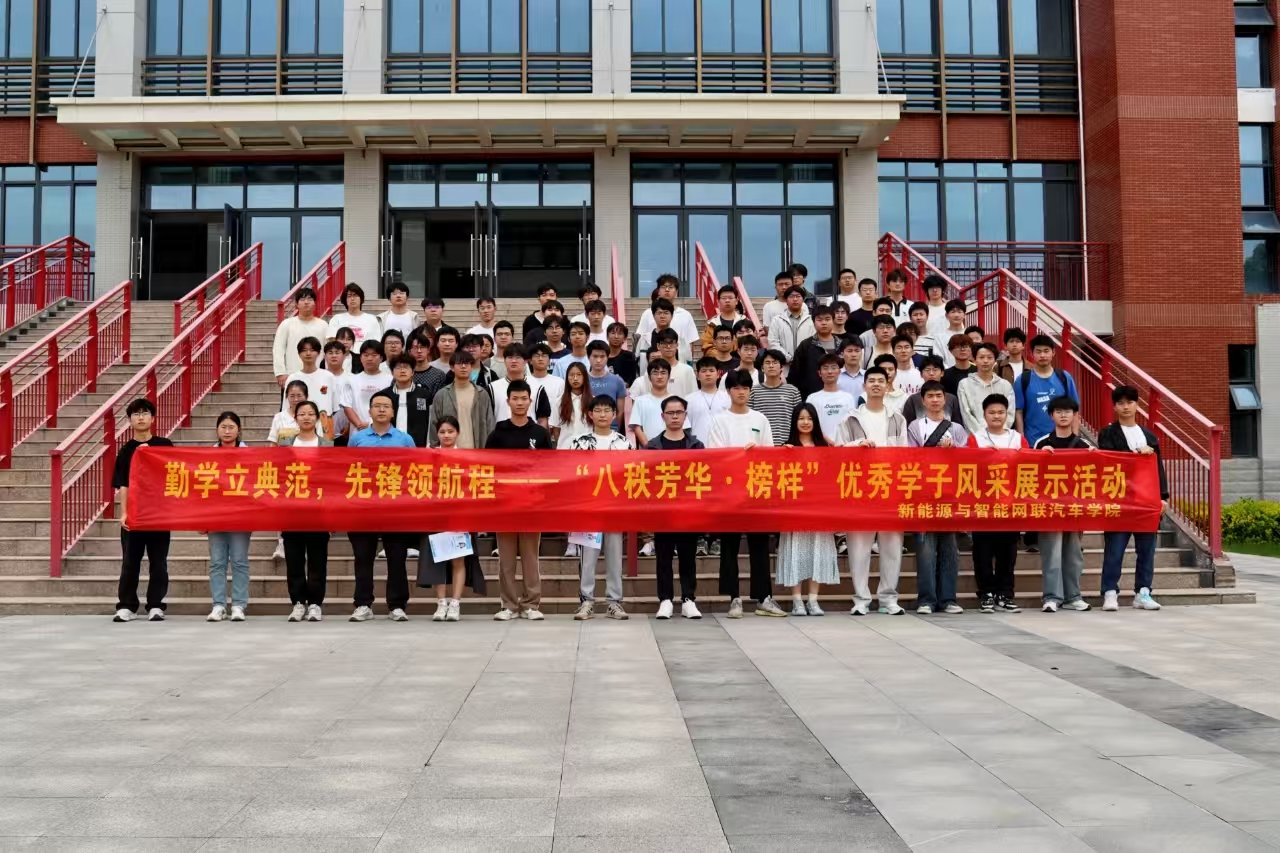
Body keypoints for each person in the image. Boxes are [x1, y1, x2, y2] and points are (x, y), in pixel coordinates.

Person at [709, 370, 784, 618]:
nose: (741, 392)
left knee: (759, 545)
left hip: (756, 489)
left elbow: (769, 453)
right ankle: (734, 598)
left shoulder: (760, 418)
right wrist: (743, 453)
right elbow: (716, 455)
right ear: (728, 391)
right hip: (730, 490)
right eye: (736, 388)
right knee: (729, 545)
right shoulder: (719, 420)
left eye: (745, 388)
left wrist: (756, 455)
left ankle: (764, 597)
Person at [836, 367, 907, 616]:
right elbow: (838, 453)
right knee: (859, 547)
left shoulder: (898, 419)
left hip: (890, 488)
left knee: (892, 546)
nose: (876, 384)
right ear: (864, 386)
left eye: (881, 381)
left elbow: (905, 455)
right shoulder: (850, 419)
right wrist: (857, 445)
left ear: (888, 386)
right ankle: (861, 599)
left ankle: (888, 599)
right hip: (860, 489)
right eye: (872, 381)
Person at [485, 380, 555, 620]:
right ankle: (508, 605)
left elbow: (550, 467)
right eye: (515, 399)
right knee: (506, 560)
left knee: (530, 558)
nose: (519, 403)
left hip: (532, 505)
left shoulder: (539, 433)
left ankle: (531, 604)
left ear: (530, 401)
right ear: (508, 401)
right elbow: (488, 467)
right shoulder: (498, 433)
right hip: (504, 505)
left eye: (524, 398)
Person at [1097, 385, 1170, 613]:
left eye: (1130, 402)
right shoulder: (1107, 433)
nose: (1125, 407)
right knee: (1115, 549)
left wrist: (1163, 497)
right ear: (1114, 407)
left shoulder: (1149, 436)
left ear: (1138, 405)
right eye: (1120, 403)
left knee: (1146, 550)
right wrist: (1138, 454)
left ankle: (1143, 592)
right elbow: (1110, 461)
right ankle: (1110, 592)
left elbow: (1158, 469)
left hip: (1146, 501)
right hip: (1119, 499)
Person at [346, 391, 416, 622]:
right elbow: (347, 470)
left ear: (393, 412)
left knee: (396, 558)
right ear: (369, 411)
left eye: (386, 406)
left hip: (395, 508)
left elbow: (415, 471)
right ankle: (363, 604)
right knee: (363, 558)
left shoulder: (405, 440)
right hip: (363, 507)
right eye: (377, 406)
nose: (382, 409)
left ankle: (396, 605)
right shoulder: (357, 439)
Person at [906, 381, 969, 616]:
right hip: (923, 493)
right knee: (924, 549)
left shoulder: (957, 429)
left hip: (949, 495)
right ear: (923, 400)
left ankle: (948, 599)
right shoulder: (915, 426)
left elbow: (967, 460)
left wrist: (954, 451)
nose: (935, 400)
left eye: (938, 396)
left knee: (949, 548)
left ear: (945, 399)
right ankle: (926, 599)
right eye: (930, 396)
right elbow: (910, 457)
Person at [419, 415, 486, 623]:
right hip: (436, 514)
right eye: (442, 432)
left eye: (450, 431)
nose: (446, 435)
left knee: (458, 560)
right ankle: (441, 603)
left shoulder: (466, 457)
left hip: (460, 514)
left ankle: (455, 603)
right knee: (438, 558)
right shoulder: (429, 456)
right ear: (437, 434)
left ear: (458, 433)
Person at [112, 398, 175, 622]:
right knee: (130, 562)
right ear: (130, 420)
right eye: (136, 414)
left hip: (158, 514)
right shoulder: (125, 450)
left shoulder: (164, 445)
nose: (141, 417)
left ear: (153, 418)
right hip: (135, 515)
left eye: (145, 413)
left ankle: (156, 605)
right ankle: (127, 606)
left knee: (159, 562)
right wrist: (124, 513)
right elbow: (123, 484)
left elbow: (174, 475)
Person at [570, 396, 632, 621]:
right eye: (598, 410)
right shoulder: (579, 442)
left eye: (607, 410)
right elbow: (572, 475)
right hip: (589, 509)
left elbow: (631, 475)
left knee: (615, 557)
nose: (603, 414)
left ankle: (614, 602)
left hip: (615, 508)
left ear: (615, 414)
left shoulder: (624, 443)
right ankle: (586, 601)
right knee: (588, 558)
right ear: (590, 414)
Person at [777, 403, 840, 616]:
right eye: (801, 418)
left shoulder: (824, 448)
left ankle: (813, 601)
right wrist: (783, 455)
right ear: (794, 421)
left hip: (819, 508)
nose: (805, 422)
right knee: (795, 552)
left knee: (818, 552)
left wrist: (830, 442)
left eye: (810, 418)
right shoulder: (787, 447)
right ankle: (797, 601)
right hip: (795, 509)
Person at [967, 394, 1027, 613]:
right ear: (984, 415)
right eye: (991, 412)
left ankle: (1005, 593)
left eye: (1001, 412)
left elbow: (1028, 465)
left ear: (1007, 414)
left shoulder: (1017, 438)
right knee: (982, 552)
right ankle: (986, 593)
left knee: (1008, 553)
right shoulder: (976, 438)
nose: (996, 416)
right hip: (983, 504)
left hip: (1010, 504)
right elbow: (969, 468)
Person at [644, 396, 704, 618]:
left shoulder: (696, 446)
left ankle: (688, 599)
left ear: (686, 415)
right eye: (670, 413)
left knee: (688, 556)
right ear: (663, 416)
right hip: (663, 510)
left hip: (689, 509)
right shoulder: (653, 447)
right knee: (663, 556)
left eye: (679, 412)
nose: (675, 417)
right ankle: (665, 600)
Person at [1034, 396, 1094, 613]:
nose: (1063, 415)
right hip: (1049, 508)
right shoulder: (1041, 444)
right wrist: (1040, 458)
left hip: (1075, 508)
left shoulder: (1084, 446)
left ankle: (1073, 597)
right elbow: (1030, 475)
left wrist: (1094, 458)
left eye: (1068, 411)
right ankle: (1051, 597)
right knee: (1051, 554)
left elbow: (1095, 476)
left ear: (1075, 415)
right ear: (1051, 415)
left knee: (1074, 554)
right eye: (1058, 411)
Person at [279, 401, 332, 622]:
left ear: (317, 418)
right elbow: (278, 474)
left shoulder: (327, 445)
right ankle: (298, 602)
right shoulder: (286, 444)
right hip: (292, 511)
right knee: (294, 559)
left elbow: (333, 478)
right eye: (302, 414)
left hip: (318, 511)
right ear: (296, 418)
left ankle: (315, 604)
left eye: (311, 414)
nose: (307, 417)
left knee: (318, 560)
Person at [205, 412, 250, 623]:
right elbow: (201, 489)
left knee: (239, 561)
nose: (227, 431)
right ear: (217, 430)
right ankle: (219, 605)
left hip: (240, 516)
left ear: (239, 430)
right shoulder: (208, 455)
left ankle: (239, 605)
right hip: (215, 515)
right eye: (223, 427)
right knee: (217, 562)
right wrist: (201, 519)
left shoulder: (249, 454)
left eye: (231, 427)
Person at [1014, 334, 1080, 448]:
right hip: (1033, 441)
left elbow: (1075, 411)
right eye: (1038, 351)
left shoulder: (1064, 377)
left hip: (1063, 442)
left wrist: (1075, 439)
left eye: (1046, 351)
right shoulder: (1023, 379)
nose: (1042, 355)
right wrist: (1022, 439)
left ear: (1053, 352)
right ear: (1032, 354)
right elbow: (1018, 412)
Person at [427, 351, 496, 449]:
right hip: (450, 451)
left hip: (477, 449)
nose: (463, 366)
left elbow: (490, 424)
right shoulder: (442, 395)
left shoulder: (482, 394)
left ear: (471, 367)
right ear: (452, 367)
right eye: (459, 363)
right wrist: (435, 448)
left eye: (467, 363)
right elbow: (434, 424)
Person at [272, 287, 329, 389]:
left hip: (317, 376)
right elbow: (278, 349)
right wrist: (280, 373)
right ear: (297, 304)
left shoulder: (323, 325)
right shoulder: (287, 324)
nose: (306, 302)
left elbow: (328, 351)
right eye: (302, 299)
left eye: (310, 299)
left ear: (315, 303)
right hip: (292, 376)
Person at [634, 275, 698, 361]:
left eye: (671, 287)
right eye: (663, 287)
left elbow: (690, 343)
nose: (667, 290)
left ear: (676, 292)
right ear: (658, 291)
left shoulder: (685, 315)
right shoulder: (647, 314)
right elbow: (641, 339)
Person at [281, 337, 336, 433]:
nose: (308, 353)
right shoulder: (292, 378)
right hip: (298, 429)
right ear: (299, 354)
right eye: (304, 350)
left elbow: (335, 407)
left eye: (312, 350)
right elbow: (286, 407)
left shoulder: (328, 377)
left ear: (318, 353)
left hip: (324, 428)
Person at [958, 342, 1015, 434]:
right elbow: (966, 414)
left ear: (995, 360)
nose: (985, 361)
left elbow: (1010, 412)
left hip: (1001, 436)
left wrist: (999, 432)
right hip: (976, 436)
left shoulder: (1005, 385)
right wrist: (983, 435)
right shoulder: (964, 384)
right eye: (981, 357)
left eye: (989, 357)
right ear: (974, 360)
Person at [749, 349, 802, 446]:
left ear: (782, 367)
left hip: (787, 446)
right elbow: (749, 420)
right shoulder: (754, 391)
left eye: (775, 362)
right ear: (762, 368)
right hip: (762, 446)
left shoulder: (792, 391)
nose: (771, 365)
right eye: (767, 363)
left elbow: (799, 419)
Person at [340, 340, 389, 437]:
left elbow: (392, 407)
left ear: (381, 358)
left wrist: (372, 424)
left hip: (383, 432)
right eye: (366, 355)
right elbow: (347, 406)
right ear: (361, 358)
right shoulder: (351, 380)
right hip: (358, 432)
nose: (369, 358)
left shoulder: (390, 380)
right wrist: (359, 424)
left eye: (374, 355)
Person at [788, 304, 838, 399]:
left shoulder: (841, 345)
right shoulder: (805, 345)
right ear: (813, 322)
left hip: (838, 396)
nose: (824, 323)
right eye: (819, 320)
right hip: (811, 397)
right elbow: (795, 374)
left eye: (827, 319)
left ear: (833, 321)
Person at [629, 329, 696, 399]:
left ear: (677, 345)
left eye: (671, 342)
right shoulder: (652, 370)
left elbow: (693, 396)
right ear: (658, 346)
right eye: (664, 343)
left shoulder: (687, 370)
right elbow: (648, 394)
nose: (668, 346)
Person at [806, 354, 857, 443]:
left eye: (833, 368)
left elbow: (852, 425)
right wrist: (827, 440)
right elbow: (810, 425)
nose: (830, 371)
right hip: (820, 445)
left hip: (844, 446)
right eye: (825, 368)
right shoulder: (812, 398)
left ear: (839, 372)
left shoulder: (848, 398)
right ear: (819, 373)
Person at [384, 355, 432, 447]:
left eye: (406, 367)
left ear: (413, 372)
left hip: (417, 446)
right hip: (390, 446)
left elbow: (429, 421)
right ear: (392, 372)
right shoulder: (385, 395)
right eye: (398, 368)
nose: (402, 371)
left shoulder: (424, 395)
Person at [900, 356, 961, 424]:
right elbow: (907, 426)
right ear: (921, 374)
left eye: (935, 370)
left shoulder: (952, 399)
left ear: (942, 373)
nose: (931, 373)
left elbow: (957, 425)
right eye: (927, 370)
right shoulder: (913, 400)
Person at [585, 340, 629, 431]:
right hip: (586, 429)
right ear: (588, 357)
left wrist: (615, 430)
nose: (598, 360)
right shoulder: (583, 380)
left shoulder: (617, 381)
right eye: (595, 356)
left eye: (602, 356)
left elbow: (620, 411)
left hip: (611, 430)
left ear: (607, 357)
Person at [629, 358, 673, 447]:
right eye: (655, 373)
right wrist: (649, 447)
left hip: (673, 450)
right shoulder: (640, 401)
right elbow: (636, 427)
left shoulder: (676, 401)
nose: (659, 376)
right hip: (648, 451)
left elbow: (683, 428)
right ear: (649, 377)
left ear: (669, 376)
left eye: (663, 373)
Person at [686, 356, 730, 444]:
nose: (708, 374)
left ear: (718, 374)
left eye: (711, 370)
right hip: (697, 447)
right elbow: (686, 427)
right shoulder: (688, 400)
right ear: (698, 376)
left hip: (722, 447)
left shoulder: (728, 398)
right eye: (704, 371)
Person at [767, 284, 815, 361]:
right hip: (784, 364)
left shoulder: (811, 320)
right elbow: (773, 343)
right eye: (791, 296)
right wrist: (788, 358)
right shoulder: (777, 320)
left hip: (806, 363)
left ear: (803, 300)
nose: (795, 299)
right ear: (786, 300)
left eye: (798, 296)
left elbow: (815, 342)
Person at [555, 362, 593, 450]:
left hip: (588, 450)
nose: (575, 378)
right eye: (571, 375)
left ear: (585, 377)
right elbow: (556, 429)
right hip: (565, 450)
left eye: (579, 375)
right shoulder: (559, 402)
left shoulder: (593, 401)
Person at [418, 326, 459, 402]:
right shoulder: (429, 367)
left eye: (451, 341)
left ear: (456, 344)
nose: (447, 344)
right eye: (443, 340)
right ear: (437, 343)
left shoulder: (463, 367)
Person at [701, 285, 745, 352]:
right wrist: (723, 356)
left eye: (730, 298)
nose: (727, 300)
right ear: (718, 302)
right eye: (724, 298)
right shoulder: (712, 324)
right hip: (717, 358)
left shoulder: (744, 321)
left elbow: (750, 343)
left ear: (736, 301)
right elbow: (707, 346)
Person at [269, 380, 309, 446]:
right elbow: (273, 444)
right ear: (287, 396)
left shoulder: (313, 417)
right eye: (292, 396)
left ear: (306, 396)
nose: (296, 399)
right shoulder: (279, 417)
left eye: (299, 396)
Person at [606, 322, 639, 386]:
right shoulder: (601, 356)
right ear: (607, 337)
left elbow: (631, 380)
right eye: (613, 333)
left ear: (625, 338)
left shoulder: (629, 357)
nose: (616, 337)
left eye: (619, 334)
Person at [938, 299, 969, 366]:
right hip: (947, 372)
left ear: (964, 315)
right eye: (953, 312)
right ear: (946, 315)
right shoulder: (939, 338)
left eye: (959, 312)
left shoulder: (969, 335)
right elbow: (938, 360)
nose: (956, 315)